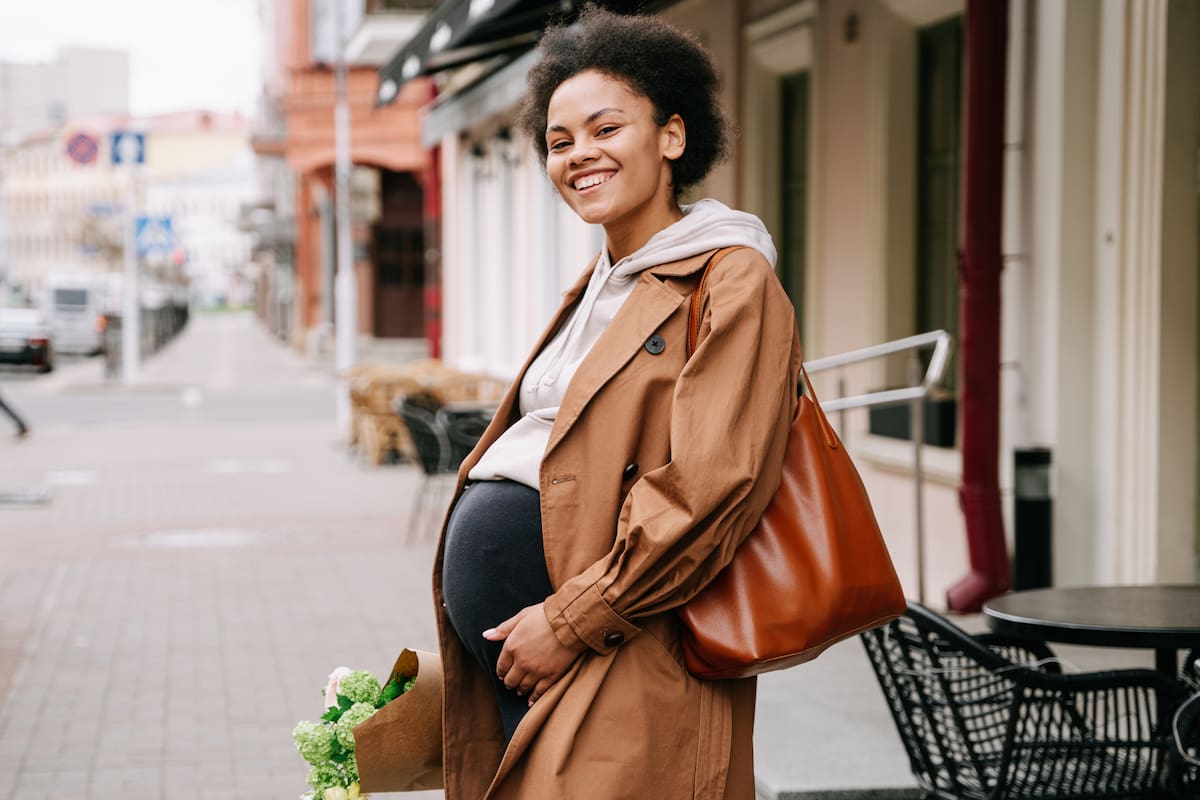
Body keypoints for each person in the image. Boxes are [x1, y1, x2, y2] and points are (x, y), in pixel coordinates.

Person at [432, 6, 802, 799]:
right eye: (559, 142)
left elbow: (714, 485)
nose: (579, 156)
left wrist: (568, 621)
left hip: (620, 641)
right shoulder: (603, 280)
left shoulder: (730, 277)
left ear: (672, 136)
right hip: (540, 651)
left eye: (606, 129)